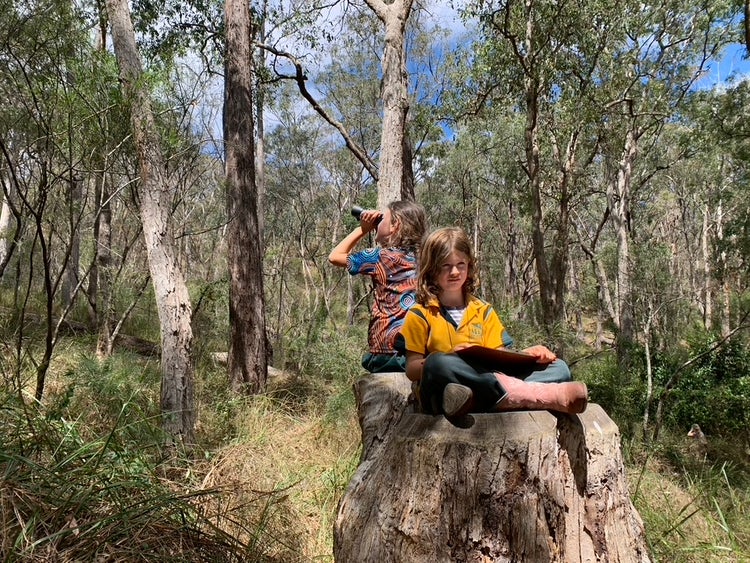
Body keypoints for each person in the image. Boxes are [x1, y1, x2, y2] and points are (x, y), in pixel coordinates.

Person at [400, 226, 587, 422]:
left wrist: (528, 354)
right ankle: (531, 395)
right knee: (436, 363)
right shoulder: (420, 314)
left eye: (460, 264)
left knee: (560, 368)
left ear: (469, 265)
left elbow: (499, 357)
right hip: (442, 388)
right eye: (445, 266)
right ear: (431, 268)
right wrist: (456, 357)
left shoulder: (483, 310)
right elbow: (412, 369)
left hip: (482, 381)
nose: (454, 271)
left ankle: (479, 400)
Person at [329, 200, 428, 373]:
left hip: (385, 352)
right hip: (421, 351)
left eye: (382, 220)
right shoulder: (429, 257)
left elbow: (335, 256)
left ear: (395, 226)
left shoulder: (379, 257)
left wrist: (362, 228)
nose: (377, 224)